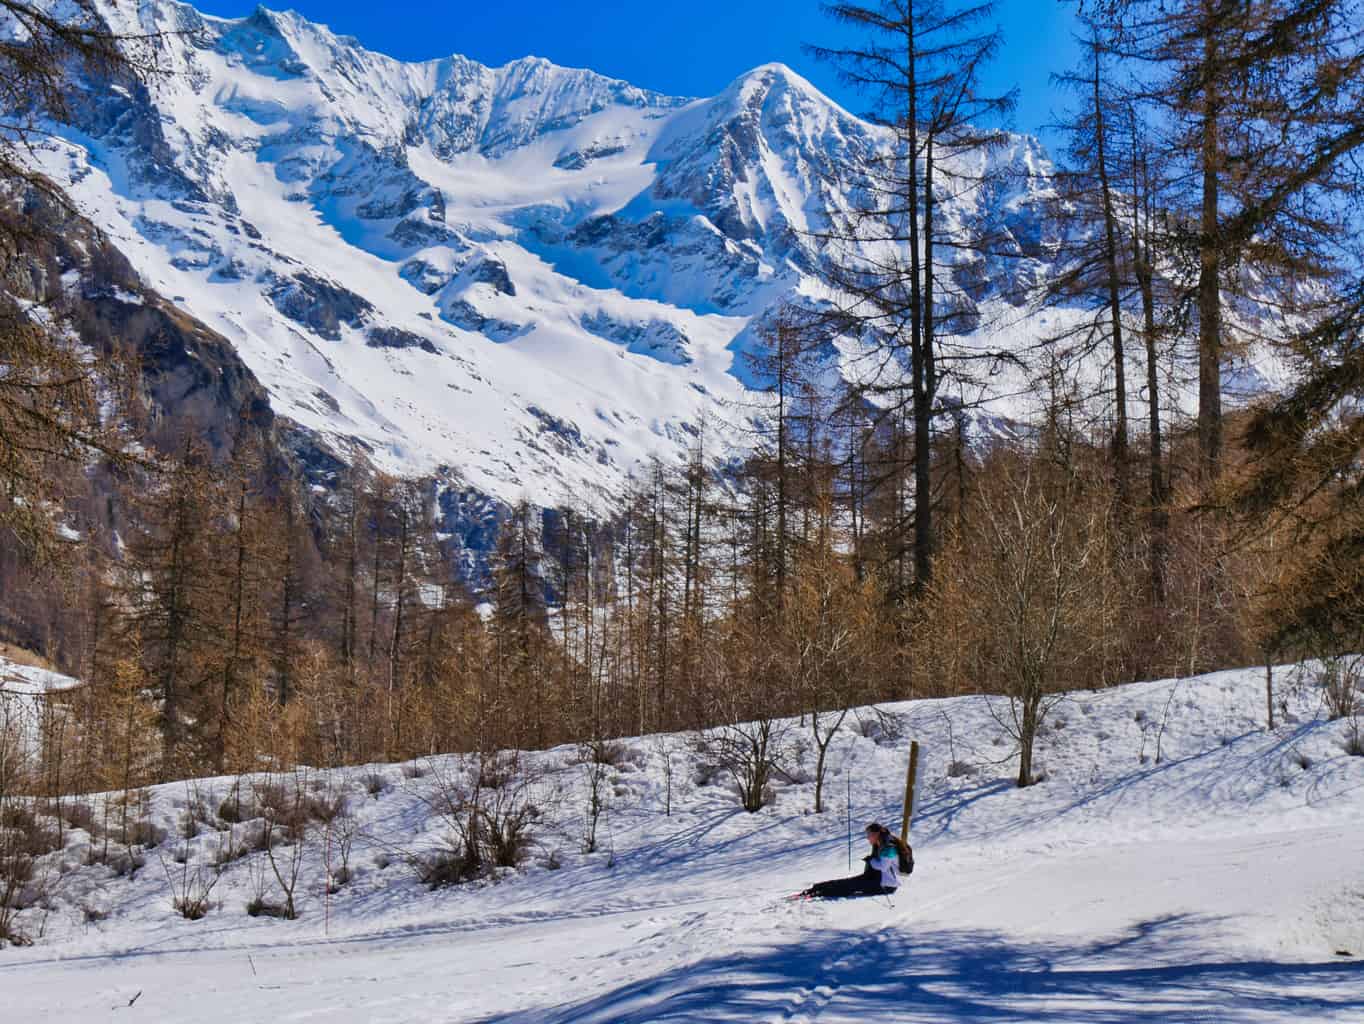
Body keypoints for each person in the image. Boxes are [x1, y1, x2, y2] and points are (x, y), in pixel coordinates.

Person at [799, 822, 905, 899]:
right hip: (874, 879)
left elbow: (883, 867)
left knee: (849, 887)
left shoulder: (888, 847)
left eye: (869, 835)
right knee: (848, 882)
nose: (867, 838)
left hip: (886, 885)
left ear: (876, 834)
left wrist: (870, 861)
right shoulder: (880, 844)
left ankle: (821, 892)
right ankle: (818, 887)